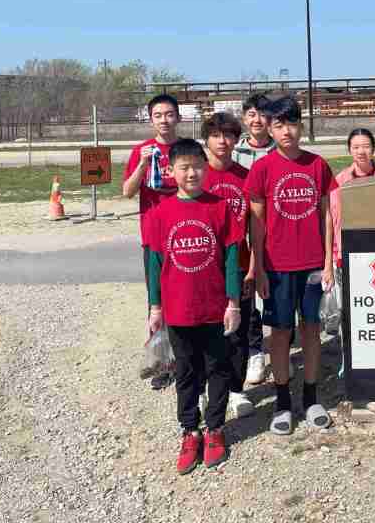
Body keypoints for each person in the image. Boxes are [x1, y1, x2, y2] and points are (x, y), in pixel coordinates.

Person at [145, 138, 243, 474]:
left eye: (198, 166)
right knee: (185, 372)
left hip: (214, 306)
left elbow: (232, 257)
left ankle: (215, 429)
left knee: (218, 367)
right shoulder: (160, 214)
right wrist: (155, 308)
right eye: (184, 167)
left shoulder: (219, 208)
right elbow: (154, 264)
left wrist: (233, 303)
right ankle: (190, 430)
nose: (192, 173)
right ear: (170, 172)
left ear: (206, 168)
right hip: (178, 309)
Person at [245, 96, 337, 435]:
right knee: (281, 333)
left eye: (292, 124)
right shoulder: (262, 169)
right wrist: (259, 268)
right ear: (270, 128)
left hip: (312, 263)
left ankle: (311, 396)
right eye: (279, 125)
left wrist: (327, 261)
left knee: (312, 329)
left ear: (301, 126)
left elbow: (327, 215)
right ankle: (283, 401)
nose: (286, 131)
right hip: (278, 266)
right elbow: (256, 224)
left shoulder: (317, 165)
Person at [201, 112, 257, 420]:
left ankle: (236, 390)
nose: (223, 141)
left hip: (240, 265)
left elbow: (256, 227)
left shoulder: (246, 176)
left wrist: (253, 268)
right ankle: (204, 388)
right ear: (206, 140)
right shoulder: (198, 176)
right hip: (205, 268)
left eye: (229, 135)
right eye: (216, 135)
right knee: (207, 331)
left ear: (237, 140)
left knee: (238, 332)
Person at [123, 94, 180, 390]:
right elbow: (127, 191)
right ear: (151, 119)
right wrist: (142, 167)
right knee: (157, 302)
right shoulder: (142, 151)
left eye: (169, 114)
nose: (164, 120)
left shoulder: (187, 151)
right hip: (155, 239)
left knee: (185, 299)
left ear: (178, 118)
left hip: (185, 236)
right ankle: (160, 361)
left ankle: (182, 359)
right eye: (158, 115)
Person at [231, 93, 276, 387]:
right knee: (251, 294)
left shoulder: (279, 150)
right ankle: (255, 351)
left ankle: (281, 348)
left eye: (262, 114)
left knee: (277, 290)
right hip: (245, 230)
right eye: (251, 114)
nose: (256, 120)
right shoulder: (234, 153)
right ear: (245, 119)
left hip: (276, 228)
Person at [330, 128, 375, 270]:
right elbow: (334, 218)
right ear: (349, 150)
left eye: (366, 146)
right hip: (350, 248)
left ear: (373, 149)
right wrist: (337, 253)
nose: (361, 151)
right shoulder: (340, 181)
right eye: (356, 147)